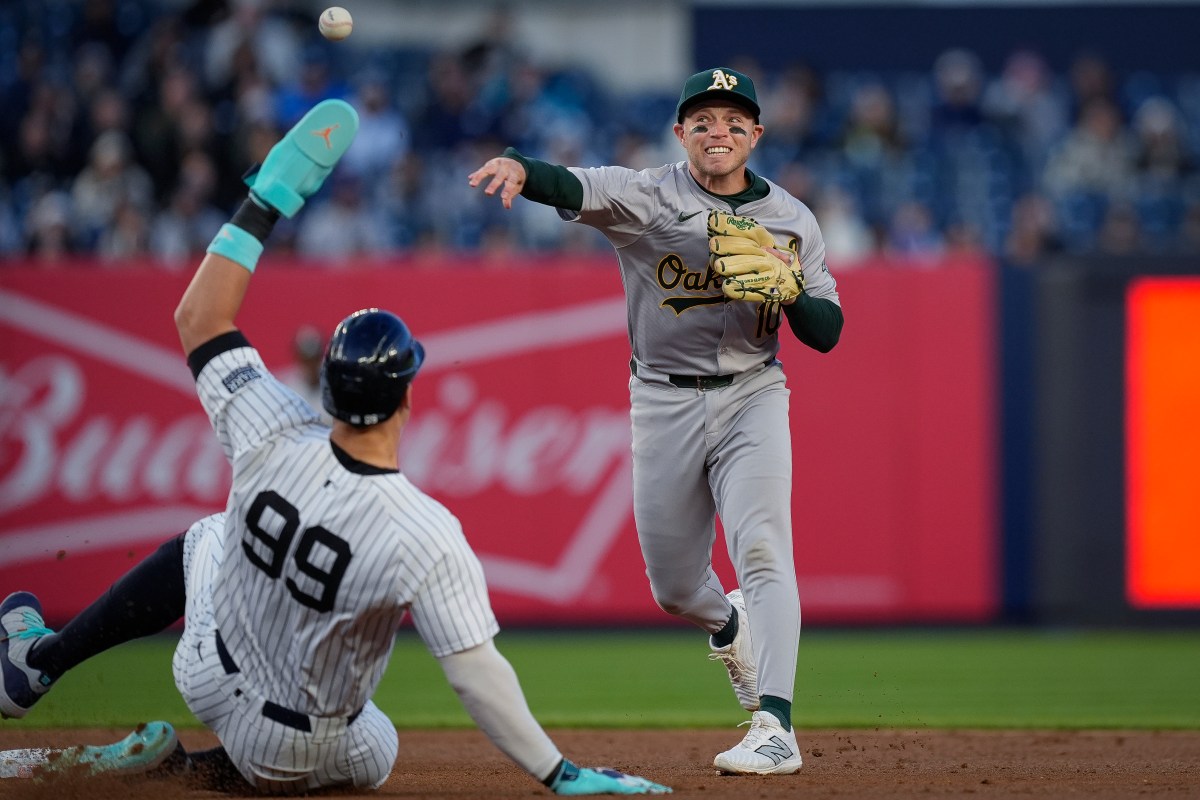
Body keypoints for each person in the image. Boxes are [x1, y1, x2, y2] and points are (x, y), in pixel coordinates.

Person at [0, 99, 668, 797]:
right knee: (376, 745)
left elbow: (198, 316)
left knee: (208, 536)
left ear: (325, 389)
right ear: (408, 394)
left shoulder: (269, 426)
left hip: (205, 672)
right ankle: (191, 772)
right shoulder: (425, 532)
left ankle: (43, 663)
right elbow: (475, 674)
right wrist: (561, 776)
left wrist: (265, 200)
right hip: (300, 744)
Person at [468, 67, 844, 776]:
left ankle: (777, 725)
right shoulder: (647, 195)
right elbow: (571, 185)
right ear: (681, 133)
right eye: (703, 119)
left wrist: (790, 290)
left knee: (762, 545)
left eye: (734, 120)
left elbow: (826, 333)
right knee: (674, 586)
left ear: (756, 135)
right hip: (663, 399)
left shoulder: (793, 219)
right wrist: (519, 167)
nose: (719, 131)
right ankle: (728, 627)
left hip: (753, 392)